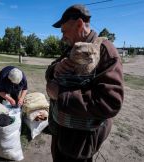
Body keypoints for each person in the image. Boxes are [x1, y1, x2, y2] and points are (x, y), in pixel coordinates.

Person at [45, 4, 124, 162]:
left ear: (79, 24)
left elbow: (110, 102)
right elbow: (49, 71)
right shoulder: (73, 48)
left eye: (64, 31)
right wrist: (56, 68)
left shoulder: (105, 52)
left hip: (79, 143)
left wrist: (61, 95)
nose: (62, 37)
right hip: (62, 131)